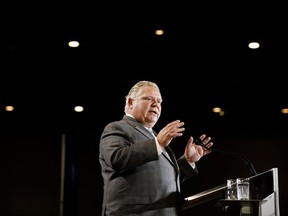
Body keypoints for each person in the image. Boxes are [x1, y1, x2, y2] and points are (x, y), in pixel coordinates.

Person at [99, 80, 213, 216]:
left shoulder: (154, 136)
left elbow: (160, 179)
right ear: (130, 102)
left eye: (159, 101)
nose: (156, 104)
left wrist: (188, 160)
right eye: (148, 98)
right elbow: (116, 159)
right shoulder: (117, 128)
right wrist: (157, 143)